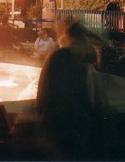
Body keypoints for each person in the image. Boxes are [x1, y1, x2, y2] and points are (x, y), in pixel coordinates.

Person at [36, 22, 102, 159]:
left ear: (66, 38)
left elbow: (43, 93)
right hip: (82, 130)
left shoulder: (58, 57)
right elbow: (93, 100)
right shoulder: (90, 61)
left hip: (57, 126)